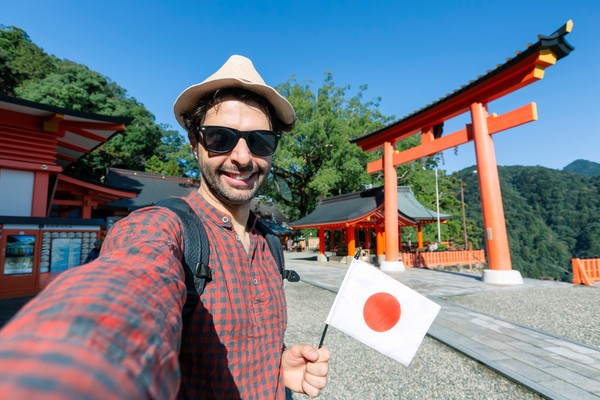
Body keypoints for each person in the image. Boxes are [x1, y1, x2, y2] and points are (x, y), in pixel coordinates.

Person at [0, 55, 330, 400]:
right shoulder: (164, 227)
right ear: (194, 143)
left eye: (260, 141)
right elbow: (127, 287)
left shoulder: (269, 243)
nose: (243, 157)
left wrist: (278, 366)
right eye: (220, 138)